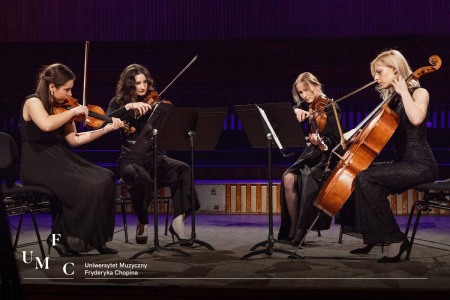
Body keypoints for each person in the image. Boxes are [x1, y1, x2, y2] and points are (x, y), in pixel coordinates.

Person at [20, 63, 124, 256]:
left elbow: (74, 140)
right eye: (66, 89)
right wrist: (73, 112)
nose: (70, 94)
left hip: (59, 159)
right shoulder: (33, 102)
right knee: (86, 186)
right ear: (52, 87)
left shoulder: (63, 107)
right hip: (38, 164)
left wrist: (104, 129)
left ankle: (95, 238)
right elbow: (46, 125)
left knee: (106, 178)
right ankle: (61, 238)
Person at [348, 49, 438, 263]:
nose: (375, 78)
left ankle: (395, 239)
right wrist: (348, 135)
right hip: (402, 163)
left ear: (395, 70)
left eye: (379, 72)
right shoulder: (391, 102)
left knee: (366, 179)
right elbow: (371, 129)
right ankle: (372, 235)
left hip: (421, 164)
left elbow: (416, 118)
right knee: (356, 173)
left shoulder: (419, 93)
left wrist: (404, 92)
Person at [106, 64, 199, 245]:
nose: (142, 87)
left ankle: (178, 222)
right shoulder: (118, 103)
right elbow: (105, 120)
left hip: (153, 156)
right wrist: (129, 107)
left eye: (144, 82)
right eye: (136, 83)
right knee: (141, 178)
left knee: (182, 169)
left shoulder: (155, 103)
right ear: (128, 85)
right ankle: (142, 221)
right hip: (129, 158)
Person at [278, 72, 342, 246]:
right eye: (300, 92)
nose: (304, 95)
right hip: (310, 155)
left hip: (326, 158)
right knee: (288, 177)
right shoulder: (311, 108)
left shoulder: (330, 106)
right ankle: (292, 225)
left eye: (306, 90)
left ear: (316, 85)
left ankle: (301, 230)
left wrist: (320, 142)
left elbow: (335, 140)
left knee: (308, 176)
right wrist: (295, 112)